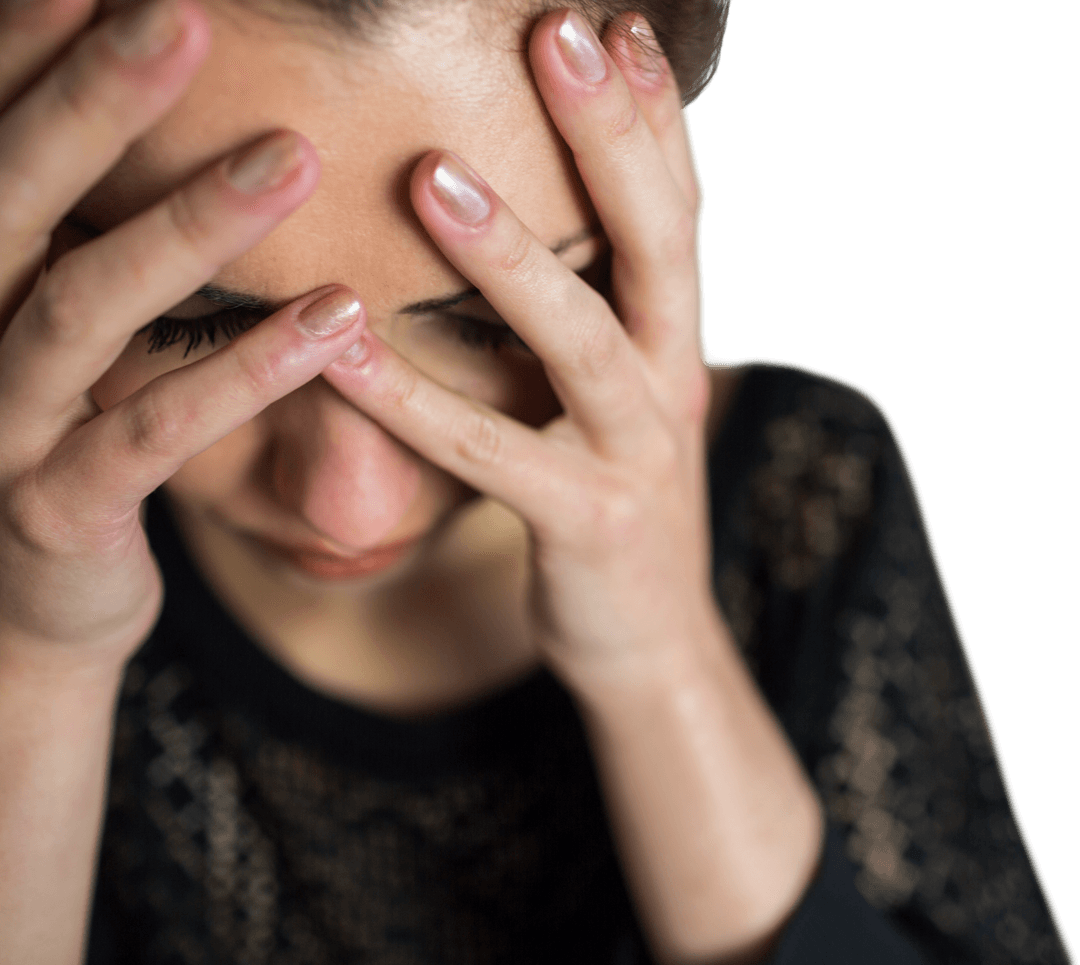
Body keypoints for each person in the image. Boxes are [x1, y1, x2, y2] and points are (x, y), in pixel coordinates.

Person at [0, 0, 1072, 961]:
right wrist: (34, 656)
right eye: (185, 322)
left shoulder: (800, 491)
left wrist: (661, 655)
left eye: (486, 321)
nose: (346, 500)